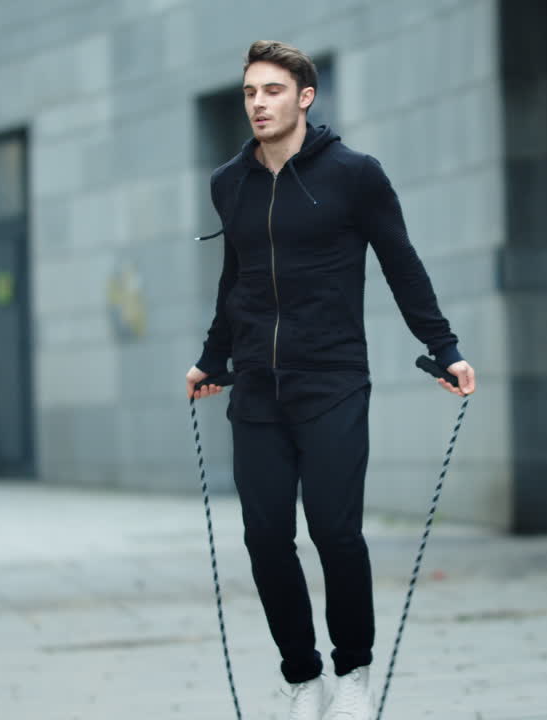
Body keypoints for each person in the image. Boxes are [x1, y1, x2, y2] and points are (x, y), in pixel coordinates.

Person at [186, 41, 476, 720]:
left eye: (272, 91)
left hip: (334, 379)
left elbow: (402, 264)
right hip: (257, 385)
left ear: (305, 97)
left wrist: (444, 347)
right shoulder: (230, 182)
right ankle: (302, 675)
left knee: (334, 532)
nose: (259, 102)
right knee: (265, 538)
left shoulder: (354, 175)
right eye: (250, 92)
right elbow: (237, 279)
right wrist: (212, 358)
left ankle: (353, 673)